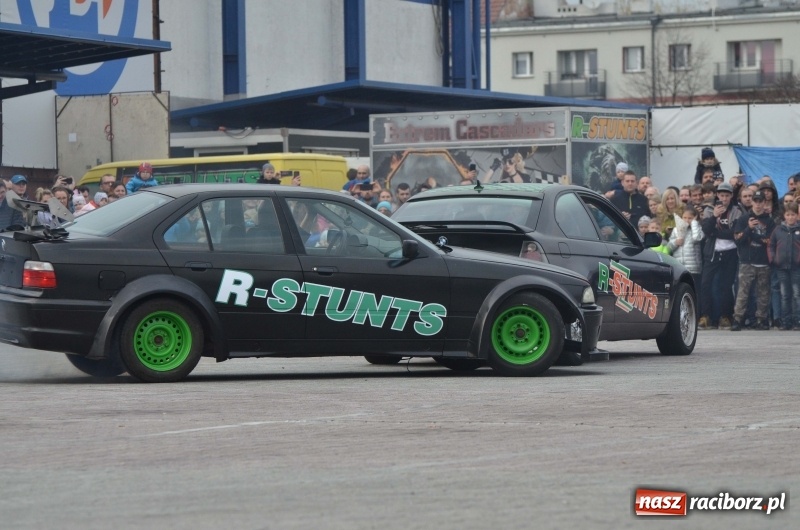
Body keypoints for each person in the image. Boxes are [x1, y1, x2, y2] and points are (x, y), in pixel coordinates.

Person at [699, 182, 742, 330]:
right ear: (717, 195)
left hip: (730, 252)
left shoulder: (737, 211)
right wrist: (714, 217)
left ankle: (725, 316)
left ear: (731, 196)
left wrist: (715, 233)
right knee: (705, 283)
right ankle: (706, 316)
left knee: (726, 285)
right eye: (721, 195)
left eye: (727, 195)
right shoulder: (709, 210)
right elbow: (705, 230)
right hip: (712, 252)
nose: (724, 198)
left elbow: (734, 234)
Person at [730, 190, 775, 331]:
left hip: (763, 262)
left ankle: (761, 319)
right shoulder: (744, 219)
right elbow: (738, 239)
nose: (758, 204)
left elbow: (769, 241)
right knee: (742, 292)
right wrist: (749, 229)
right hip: (746, 261)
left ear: (764, 202)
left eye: (761, 201)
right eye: (755, 201)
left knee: (763, 292)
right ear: (752, 202)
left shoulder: (770, 220)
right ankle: (737, 319)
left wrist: (752, 235)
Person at [768, 202, 800, 330]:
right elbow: (771, 245)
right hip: (781, 267)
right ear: (784, 216)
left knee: (796, 295)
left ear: (797, 216)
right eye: (788, 215)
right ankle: (785, 321)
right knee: (784, 295)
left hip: (796, 268)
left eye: (793, 215)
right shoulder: (778, 230)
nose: (791, 217)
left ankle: (797, 320)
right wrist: (774, 259)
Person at [668, 207, 703, 291]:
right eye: (684, 217)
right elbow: (669, 247)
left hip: (693, 268)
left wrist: (694, 223)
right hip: (679, 266)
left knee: (694, 290)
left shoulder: (697, 229)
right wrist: (676, 243)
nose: (687, 220)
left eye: (690, 218)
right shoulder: (676, 230)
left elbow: (697, 238)